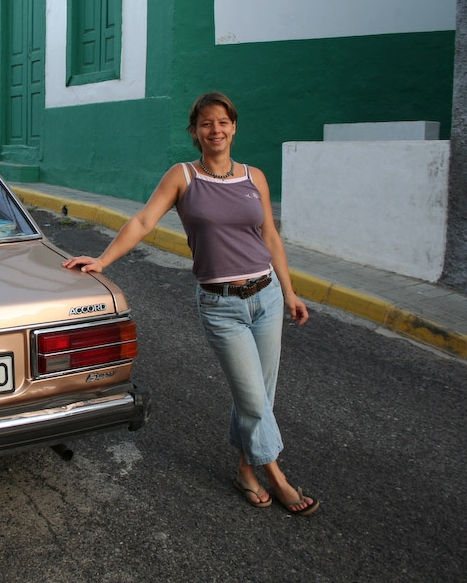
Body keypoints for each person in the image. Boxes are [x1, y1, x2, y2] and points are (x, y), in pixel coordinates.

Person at [62, 91, 318, 516]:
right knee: (253, 397)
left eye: (223, 122)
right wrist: (103, 260)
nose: (215, 130)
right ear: (195, 132)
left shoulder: (254, 177)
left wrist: (289, 291)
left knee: (258, 394)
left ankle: (246, 471)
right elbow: (144, 220)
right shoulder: (183, 176)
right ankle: (276, 474)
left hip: (267, 296)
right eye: (206, 124)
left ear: (234, 127)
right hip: (222, 306)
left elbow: (270, 237)